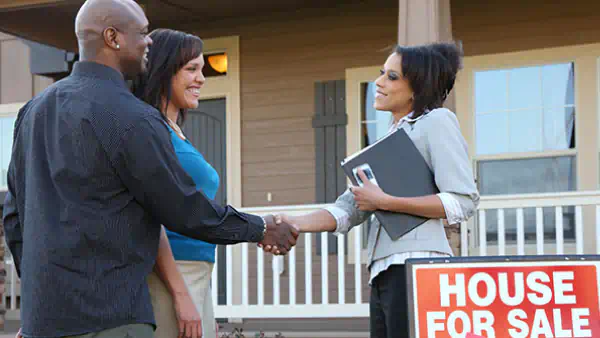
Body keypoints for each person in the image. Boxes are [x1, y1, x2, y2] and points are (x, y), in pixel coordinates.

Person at [1, 0, 297, 337]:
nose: (149, 42)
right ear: (112, 37)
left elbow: (14, 216)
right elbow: (183, 208)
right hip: (113, 320)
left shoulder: (33, 111)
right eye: (142, 33)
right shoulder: (133, 118)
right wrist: (260, 228)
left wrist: (41, 299)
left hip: (45, 321)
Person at [270, 42, 479, 337]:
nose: (379, 82)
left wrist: (386, 201)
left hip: (416, 268)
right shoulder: (389, 142)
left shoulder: (436, 121)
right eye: (382, 73)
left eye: (392, 77)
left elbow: (462, 201)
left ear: (416, 88)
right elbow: (347, 209)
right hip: (383, 272)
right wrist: (292, 222)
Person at [130, 28, 222, 338]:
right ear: (163, 71)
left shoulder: (174, 132)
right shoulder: (152, 132)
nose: (201, 78)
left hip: (196, 273)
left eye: (202, 69)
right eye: (191, 69)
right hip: (170, 278)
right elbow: (149, 217)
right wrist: (182, 296)